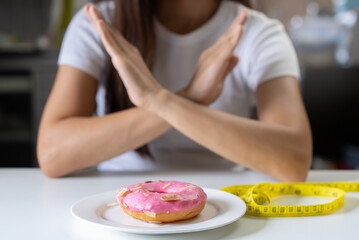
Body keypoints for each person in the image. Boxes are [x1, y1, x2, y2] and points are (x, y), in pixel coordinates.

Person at [37, 0, 312, 181]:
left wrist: (161, 101)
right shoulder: (96, 24)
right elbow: (52, 153)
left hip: (225, 198)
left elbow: (294, 158)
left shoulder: (260, 32)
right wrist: (187, 98)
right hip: (115, 200)